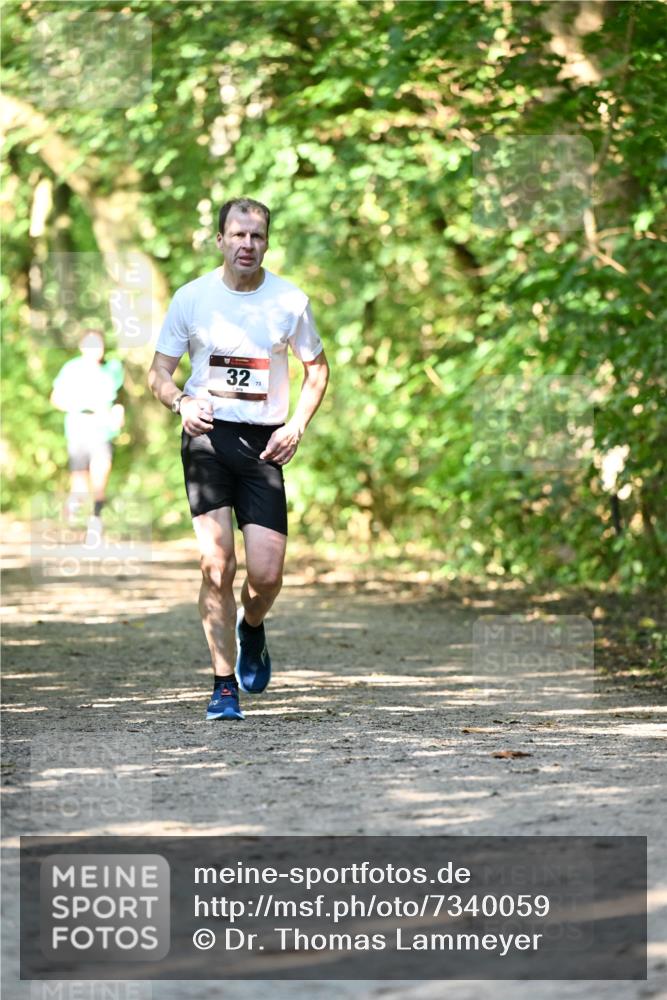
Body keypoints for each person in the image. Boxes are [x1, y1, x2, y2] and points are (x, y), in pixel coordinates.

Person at [148, 197, 329, 721]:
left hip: (265, 442)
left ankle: (252, 628)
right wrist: (181, 401)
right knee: (217, 563)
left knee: (267, 575)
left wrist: (296, 425)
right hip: (206, 439)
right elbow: (157, 373)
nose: (247, 244)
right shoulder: (192, 298)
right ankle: (222, 685)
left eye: (257, 236)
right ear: (220, 240)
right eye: (238, 235)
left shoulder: (290, 301)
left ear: (267, 242)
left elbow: (317, 371)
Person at [51, 330, 124, 546]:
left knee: (100, 480)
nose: (97, 350)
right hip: (78, 430)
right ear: (83, 347)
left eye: (100, 344)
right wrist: (84, 406)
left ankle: (95, 524)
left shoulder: (113, 368)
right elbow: (56, 399)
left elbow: (120, 397)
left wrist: (119, 413)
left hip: (103, 433)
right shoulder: (71, 369)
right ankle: (71, 521)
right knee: (80, 487)